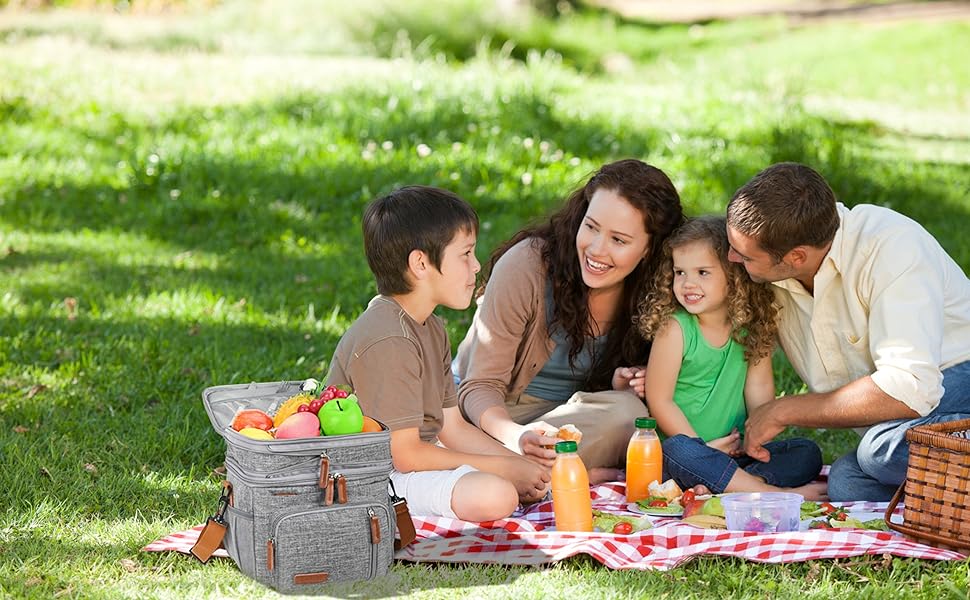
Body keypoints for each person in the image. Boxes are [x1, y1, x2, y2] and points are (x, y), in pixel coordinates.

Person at [725, 162, 970, 501]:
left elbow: (910, 387)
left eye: (745, 256)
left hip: (957, 374)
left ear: (796, 257)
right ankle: (951, 496)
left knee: (879, 450)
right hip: (905, 417)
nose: (730, 257)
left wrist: (785, 409)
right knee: (848, 483)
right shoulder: (775, 267)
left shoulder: (891, 247)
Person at [326, 186, 550, 521]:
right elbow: (405, 455)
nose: (476, 266)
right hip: (369, 477)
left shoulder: (430, 327)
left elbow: (453, 426)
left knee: (517, 477)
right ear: (420, 263)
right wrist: (504, 469)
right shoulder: (389, 339)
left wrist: (516, 462)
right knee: (496, 494)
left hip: (410, 462)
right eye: (465, 254)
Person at [453, 159, 684, 482]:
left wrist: (630, 382)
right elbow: (479, 386)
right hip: (493, 415)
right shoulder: (527, 266)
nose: (596, 250)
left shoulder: (663, 291)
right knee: (455, 443)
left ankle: (527, 474)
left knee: (629, 414)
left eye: (619, 240)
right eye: (590, 227)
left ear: (650, 248)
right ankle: (565, 474)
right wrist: (516, 436)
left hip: (572, 423)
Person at [636, 215, 825, 499]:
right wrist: (702, 447)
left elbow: (759, 391)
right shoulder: (674, 328)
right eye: (680, 272)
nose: (688, 283)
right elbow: (659, 400)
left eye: (702, 272)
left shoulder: (751, 327)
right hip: (686, 455)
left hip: (734, 454)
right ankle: (770, 493)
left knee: (806, 452)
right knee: (678, 450)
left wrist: (755, 439)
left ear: (733, 277)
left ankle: (735, 485)